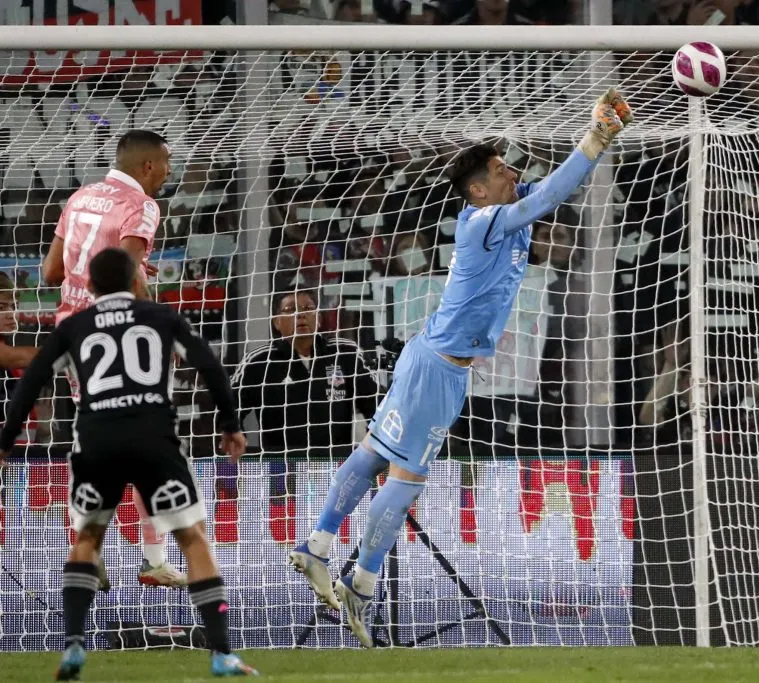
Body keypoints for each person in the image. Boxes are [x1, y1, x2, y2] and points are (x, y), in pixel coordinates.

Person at [287, 88, 633, 647]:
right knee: (405, 479)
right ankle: (363, 583)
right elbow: (544, 195)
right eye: (500, 169)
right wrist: (594, 139)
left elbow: (538, 196)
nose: (511, 171)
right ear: (477, 190)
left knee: (375, 450)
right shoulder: (480, 220)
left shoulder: (506, 223)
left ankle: (318, 546)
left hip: (432, 358)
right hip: (438, 368)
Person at [0, 248, 257, 679]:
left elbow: (34, 381)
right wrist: (230, 424)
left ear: (92, 287)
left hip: (97, 439)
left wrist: (5, 440)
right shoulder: (161, 317)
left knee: (87, 539)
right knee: (193, 539)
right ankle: (221, 653)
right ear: (136, 279)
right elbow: (210, 364)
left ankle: (74, 647)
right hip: (154, 437)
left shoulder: (74, 325)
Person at [40, 129, 184, 587]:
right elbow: (124, 277)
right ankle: (151, 558)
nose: (168, 171)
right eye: (165, 162)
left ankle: (90, 552)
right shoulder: (140, 205)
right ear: (146, 166)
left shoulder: (80, 196)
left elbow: (51, 272)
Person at [230, 290, 381, 542]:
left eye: (308, 307)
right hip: (281, 471)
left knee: (337, 539)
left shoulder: (345, 353)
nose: (301, 314)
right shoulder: (258, 362)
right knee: (283, 540)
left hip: (335, 466)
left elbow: (376, 405)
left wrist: (371, 445)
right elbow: (228, 411)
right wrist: (239, 441)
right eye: (290, 310)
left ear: (319, 318)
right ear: (277, 322)